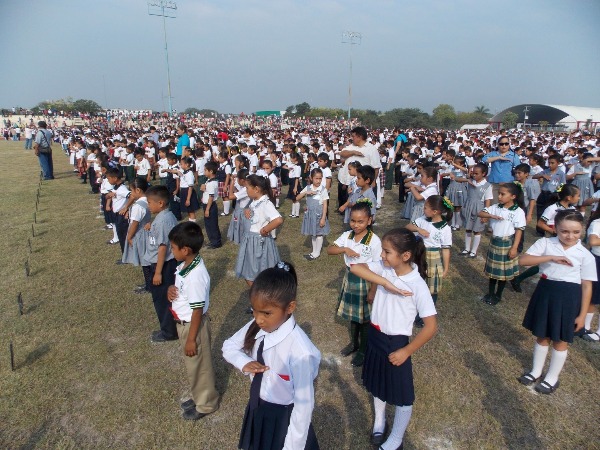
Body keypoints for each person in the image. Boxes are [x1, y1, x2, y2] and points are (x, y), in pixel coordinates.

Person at [350, 228, 438, 449]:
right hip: (375, 336)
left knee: (403, 395)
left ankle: (396, 439)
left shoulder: (417, 285)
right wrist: (385, 282)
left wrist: (406, 351)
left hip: (396, 345)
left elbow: (431, 327)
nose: (382, 255)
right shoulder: (385, 268)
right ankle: (380, 421)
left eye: (387, 252)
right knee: (377, 384)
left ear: (405, 255)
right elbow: (355, 267)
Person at [222, 262, 320, 450]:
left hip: (283, 419)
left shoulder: (301, 352)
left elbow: (303, 408)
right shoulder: (257, 325)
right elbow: (229, 346)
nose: (258, 319)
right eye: (254, 310)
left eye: (266, 313)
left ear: (290, 307)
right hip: (258, 407)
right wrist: (244, 362)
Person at [518, 210, 596, 394]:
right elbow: (523, 260)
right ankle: (536, 371)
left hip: (569, 298)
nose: (570, 236)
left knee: (560, 340)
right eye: (564, 231)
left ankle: (552, 377)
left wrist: (582, 315)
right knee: (542, 335)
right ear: (556, 229)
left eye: (576, 232)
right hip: (546, 293)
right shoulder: (546, 243)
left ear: (582, 230)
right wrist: (551, 257)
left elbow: (587, 286)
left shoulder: (585, 255)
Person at [167, 222, 220, 420]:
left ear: (185, 250)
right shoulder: (185, 265)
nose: (172, 251)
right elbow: (182, 289)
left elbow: (197, 310)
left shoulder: (196, 275)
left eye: (173, 247)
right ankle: (199, 396)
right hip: (185, 325)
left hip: (193, 327)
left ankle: (206, 404)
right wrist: (171, 290)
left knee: (200, 366)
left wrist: (191, 339)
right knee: (194, 365)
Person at [327, 201, 382, 367]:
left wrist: (373, 291)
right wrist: (344, 249)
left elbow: (379, 269)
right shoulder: (347, 236)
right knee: (354, 315)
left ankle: (363, 350)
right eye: (353, 221)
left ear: (369, 221)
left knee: (365, 318)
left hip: (366, 281)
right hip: (350, 278)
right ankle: (354, 343)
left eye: (360, 221)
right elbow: (330, 249)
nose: (356, 225)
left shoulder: (374, 241)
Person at [478, 182, 526, 305]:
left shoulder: (518, 212)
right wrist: (491, 216)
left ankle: (498, 295)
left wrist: (514, 248)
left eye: (502, 194)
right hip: (495, 242)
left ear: (513, 196)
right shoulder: (496, 207)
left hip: (506, 244)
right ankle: (490, 293)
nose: (499, 196)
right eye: (499, 193)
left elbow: (519, 231)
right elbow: (480, 213)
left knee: (502, 273)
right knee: (493, 272)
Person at [142, 185, 179, 343]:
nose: (148, 206)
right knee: (164, 298)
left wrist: (157, 273)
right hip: (164, 264)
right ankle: (169, 328)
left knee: (163, 300)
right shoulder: (164, 217)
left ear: (161, 203)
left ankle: (168, 332)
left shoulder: (163, 220)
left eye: (150, 202)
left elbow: (163, 247)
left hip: (163, 265)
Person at [235, 175, 284, 286]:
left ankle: (260, 294)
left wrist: (265, 229)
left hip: (258, 243)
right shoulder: (255, 201)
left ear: (256, 189)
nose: (246, 190)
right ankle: (259, 294)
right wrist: (247, 210)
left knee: (256, 273)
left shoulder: (266, 204)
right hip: (250, 242)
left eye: (247, 188)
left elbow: (278, 220)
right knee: (249, 271)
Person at [406, 195, 453, 310]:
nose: (423, 209)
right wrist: (418, 229)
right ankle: (415, 308)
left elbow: (446, 249)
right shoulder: (423, 219)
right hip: (419, 255)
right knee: (417, 282)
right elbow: (408, 226)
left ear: (435, 211)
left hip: (433, 258)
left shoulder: (445, 228)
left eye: (426, 207)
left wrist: (446, 268)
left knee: (432, 287)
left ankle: (429, 310)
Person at [121, 178, 152, 293]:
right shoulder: (148, 201)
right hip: (146, 233)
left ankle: (149, 286)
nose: (131, 193)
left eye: (132, 190)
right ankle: (148, 283)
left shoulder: (138, 206)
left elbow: (135, 223)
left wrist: (129, 237)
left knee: (145, 261)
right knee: (147, 259)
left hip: (140, 234)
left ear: (138, 190)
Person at [460, 163, 493, 258]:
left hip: (479, 209)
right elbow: (457, 179)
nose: (474, 175)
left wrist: (485, 213)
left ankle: (474, 251)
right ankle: (467, 248)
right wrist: (467, 179)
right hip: (468, 207)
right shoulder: (471, 181)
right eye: (473, 173)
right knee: (468, 228)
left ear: (484, 174)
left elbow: (487, 200)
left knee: (477, 230)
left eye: (476, 173)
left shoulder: (487, 185)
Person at [297, 168, 330, 260]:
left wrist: (323, 218)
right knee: (313, 233)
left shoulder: (323, 190)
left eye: (320, 178)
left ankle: (317, 252)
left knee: (319, 233)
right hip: (310, 215)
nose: (318, 181)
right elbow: (297, 198)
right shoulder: (308, 188)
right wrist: (306, 192)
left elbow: (325, 205)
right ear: (311, 178)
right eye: (316, 178)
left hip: (319, 215)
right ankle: (314, 251)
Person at [583, 209, 600, 341]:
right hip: (597, 260)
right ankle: (586, 326)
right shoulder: (597, 223)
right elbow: (593, 241)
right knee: (593, 296)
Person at [105, 167, 130, 254]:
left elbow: (131, 196)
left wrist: (126, 208)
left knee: (123, 236)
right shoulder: (116, 187)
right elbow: (108, 195)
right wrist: (109, 195)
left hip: (121, 215)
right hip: (116, 214)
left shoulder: (122, 189)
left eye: (109, 178)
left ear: (115, 178)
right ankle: (124, 255)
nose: (108, 180)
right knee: (120, 235)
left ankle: (126, 256)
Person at [227, 168, 251, 245]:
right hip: (240, 209)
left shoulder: (246, 190)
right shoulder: (246, 186)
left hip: (242, 211)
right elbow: (237, 192)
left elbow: (230, 197)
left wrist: (231, 184)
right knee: (238, 225)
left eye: (237, 179)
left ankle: (241, 239)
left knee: (241, 227)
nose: (236, 181)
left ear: (242, 180)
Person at [179, 157, 200, 222]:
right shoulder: (185, 172)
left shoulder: (190, 174)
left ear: (187, 164)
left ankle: (192, 224)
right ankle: (190, 223)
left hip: (188, 192)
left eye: (181, 164)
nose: (180, 165)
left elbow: (190, 187)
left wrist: (188, 199)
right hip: (184, 191)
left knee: (191, 211)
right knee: (188, 211)